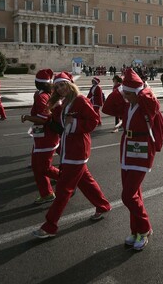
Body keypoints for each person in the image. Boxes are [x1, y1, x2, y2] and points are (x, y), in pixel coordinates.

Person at [33, 72, 112, 239]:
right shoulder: (62, 104)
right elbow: (58, 125)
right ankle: (103, 205)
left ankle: (50, 225)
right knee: (86, 181)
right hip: (68, 149)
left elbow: (93, 121)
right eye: (57, 86)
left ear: (70, 84)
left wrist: (74, 124)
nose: (60, 88)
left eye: (63, 84)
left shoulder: (80, 100)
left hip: (77, 151)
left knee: (63, 189)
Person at [102, 67, 163, 251]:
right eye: (124, 93)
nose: (125, 96)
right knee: (135, 194)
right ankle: (135, 230)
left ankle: (145, 228)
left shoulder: (147, 104)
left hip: (143, 148)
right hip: (127, 147)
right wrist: (121, 88)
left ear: (137, 92)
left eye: (128, 94)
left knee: (128, 195)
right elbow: (107, 107)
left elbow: (151, 99)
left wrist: (140, 86)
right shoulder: (127, 104)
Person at [21, 69, 60, 204]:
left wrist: (27, 117)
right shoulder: (43, 95)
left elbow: (44, 118)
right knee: (36, 166)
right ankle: (47, 193)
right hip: (41, 137)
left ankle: (67, 178)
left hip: (46, 137)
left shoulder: (43, 97)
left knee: (44, 167)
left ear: (37, 83)